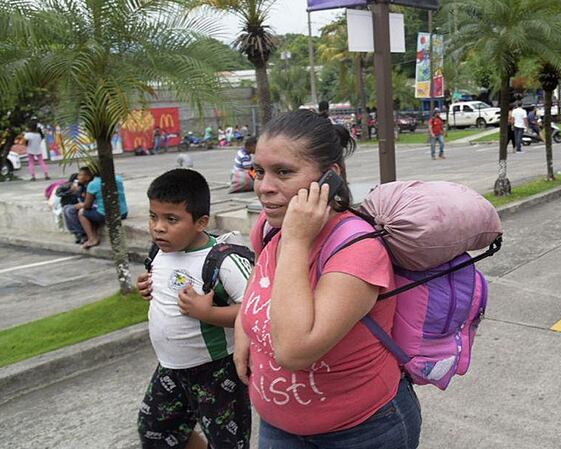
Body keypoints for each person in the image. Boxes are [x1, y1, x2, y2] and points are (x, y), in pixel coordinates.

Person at [234, 109, 421, 448]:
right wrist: (243, 332)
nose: (263, 187)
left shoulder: (356, 248)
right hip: (279, 428)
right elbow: (260, 278)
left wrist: (295, 239)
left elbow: (294, 350)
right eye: (258, 171)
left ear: (329, 177)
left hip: (363, 432)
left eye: (283, 172)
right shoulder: (267, 227)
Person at [135, 169, 252, 449]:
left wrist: (208, 314)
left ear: (201, 222)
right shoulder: (160, 251)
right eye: (154, 216)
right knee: (156, 431)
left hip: (215, 373)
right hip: (170, 368)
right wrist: (146, 287)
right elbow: (163, 287)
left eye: (171, 219)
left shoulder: (222, 260)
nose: (158, 227)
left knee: (227, 443)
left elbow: (256, 309)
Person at [78, 172, 128, 249]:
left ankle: (92, 239)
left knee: (81, 213)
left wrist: (80, 205)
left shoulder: (93, 184)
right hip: (123, 212)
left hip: (106, 215)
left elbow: (87, 206)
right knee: (94, 211)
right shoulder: (118, 178)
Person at [61, 166, 95, 244]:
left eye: (80, 175)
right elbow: (59, 192)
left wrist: (82, 204)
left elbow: (91, 201)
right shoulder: (80, 185)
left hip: (90, 206)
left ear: (87, 177)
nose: (78, 177)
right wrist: (71, 190)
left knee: (71, 210)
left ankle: (82, 233)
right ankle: (76, 233)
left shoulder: (90, 186)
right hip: (83, 204)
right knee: (65, 208)